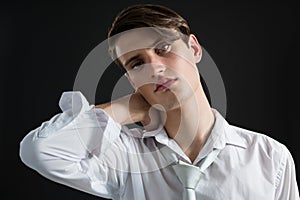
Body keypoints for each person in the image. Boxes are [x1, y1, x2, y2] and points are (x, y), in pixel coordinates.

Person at [19, 3, 299, 200]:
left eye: (163, 49)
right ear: (131, 81)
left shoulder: (269, 157)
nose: (155, 69)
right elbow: (41, 151)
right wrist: (125, 108)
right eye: (137, 63)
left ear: (194, 48)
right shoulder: (125, 158)